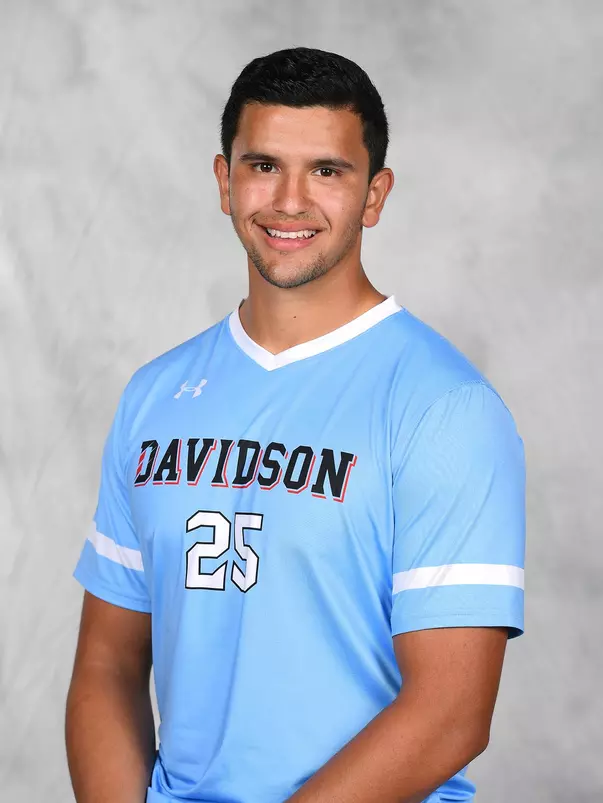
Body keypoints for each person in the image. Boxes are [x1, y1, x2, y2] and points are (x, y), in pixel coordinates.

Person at [65, 46, 526, 803]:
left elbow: (451, 712)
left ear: (374, 195)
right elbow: (107, 665)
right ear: (224, 181)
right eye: (263, 164)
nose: (288, 201)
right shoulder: (154, 396)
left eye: (327, 171)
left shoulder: (445, 408)